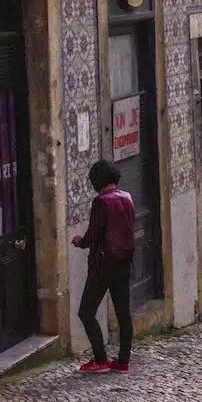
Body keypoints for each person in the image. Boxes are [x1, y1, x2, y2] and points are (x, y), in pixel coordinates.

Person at [73, 160, 136, 373]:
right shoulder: (127, 198)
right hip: (124, 263)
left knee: (86, 311)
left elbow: (93, 235)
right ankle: (123, 361)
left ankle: (100, 358)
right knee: (123, 312)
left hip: (102, 265)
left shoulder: (101, 203)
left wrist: (79, 241)